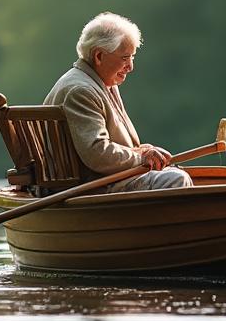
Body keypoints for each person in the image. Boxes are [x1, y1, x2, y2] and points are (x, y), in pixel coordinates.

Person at [43, 12, 193, 194]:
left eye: (132, 57)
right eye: (125, 58)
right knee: (175, 179)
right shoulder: (81, 90)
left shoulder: (102, 82)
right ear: (99, 56)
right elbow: (97, 153)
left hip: (103, 180)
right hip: (88, 187)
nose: (130, 67)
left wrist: (141, 152)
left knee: (176, 173)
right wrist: (140, 157)